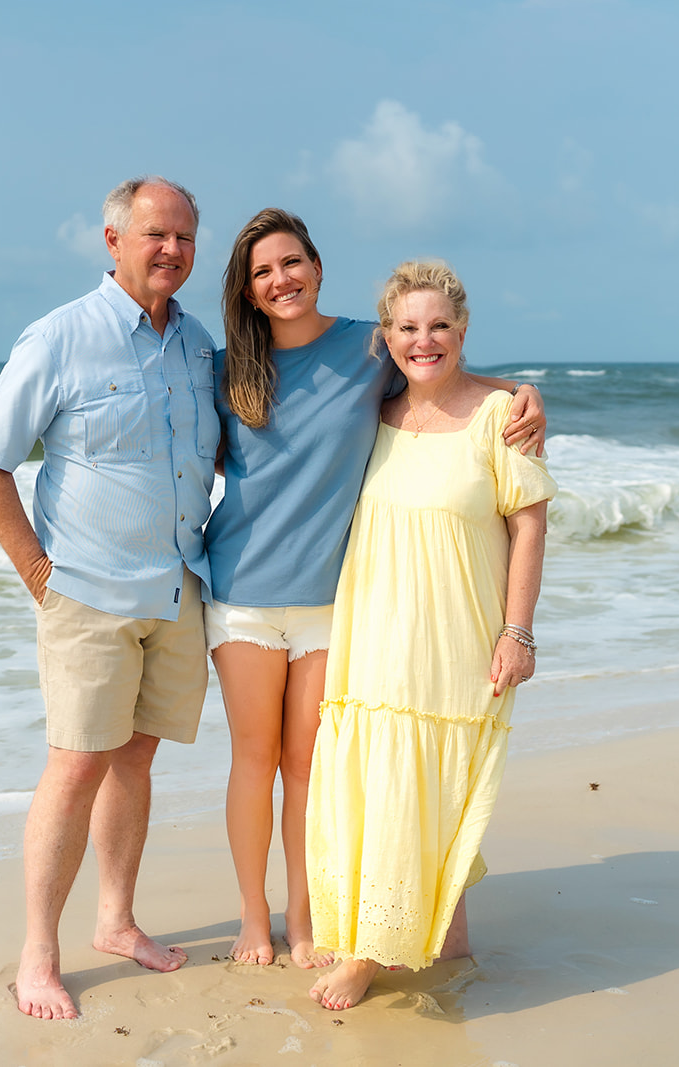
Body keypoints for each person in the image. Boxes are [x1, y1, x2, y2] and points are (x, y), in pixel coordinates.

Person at [203, 210, 546, 968]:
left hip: (335, 598)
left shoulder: (369, 347)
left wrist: (520, 391)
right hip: (242, 591)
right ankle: (254, 917)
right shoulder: (227, 369)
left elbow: (439, 375)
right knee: (253, 760)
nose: (281, 280)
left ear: (317, 267)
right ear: (248, 290)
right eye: (263, 272)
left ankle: (303, 918)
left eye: (292, 262)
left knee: (311, 767)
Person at [0, 176, 218, 1021]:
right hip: (87, 591)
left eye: (185, 236)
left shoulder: (197, 345)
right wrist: (37, 572)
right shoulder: (60, 337)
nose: (172, 249)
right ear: (113, 240)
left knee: (136, 758)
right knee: (75, 765)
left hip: (177, 587)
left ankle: (116, 920)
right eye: (156, 234)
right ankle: (39, 952)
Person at [304, 260, 555, 1010]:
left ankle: (368, 955)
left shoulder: (502, 417)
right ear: (387, 337)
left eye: (440, 325)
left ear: (463, 331)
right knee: (384, 778)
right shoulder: (372, 415)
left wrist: (519, 633)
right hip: (372, 631)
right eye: (409, 327)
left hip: (455, 638)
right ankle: (449, 946)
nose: (425, 340)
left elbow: (530, 524)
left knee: (428, 782)